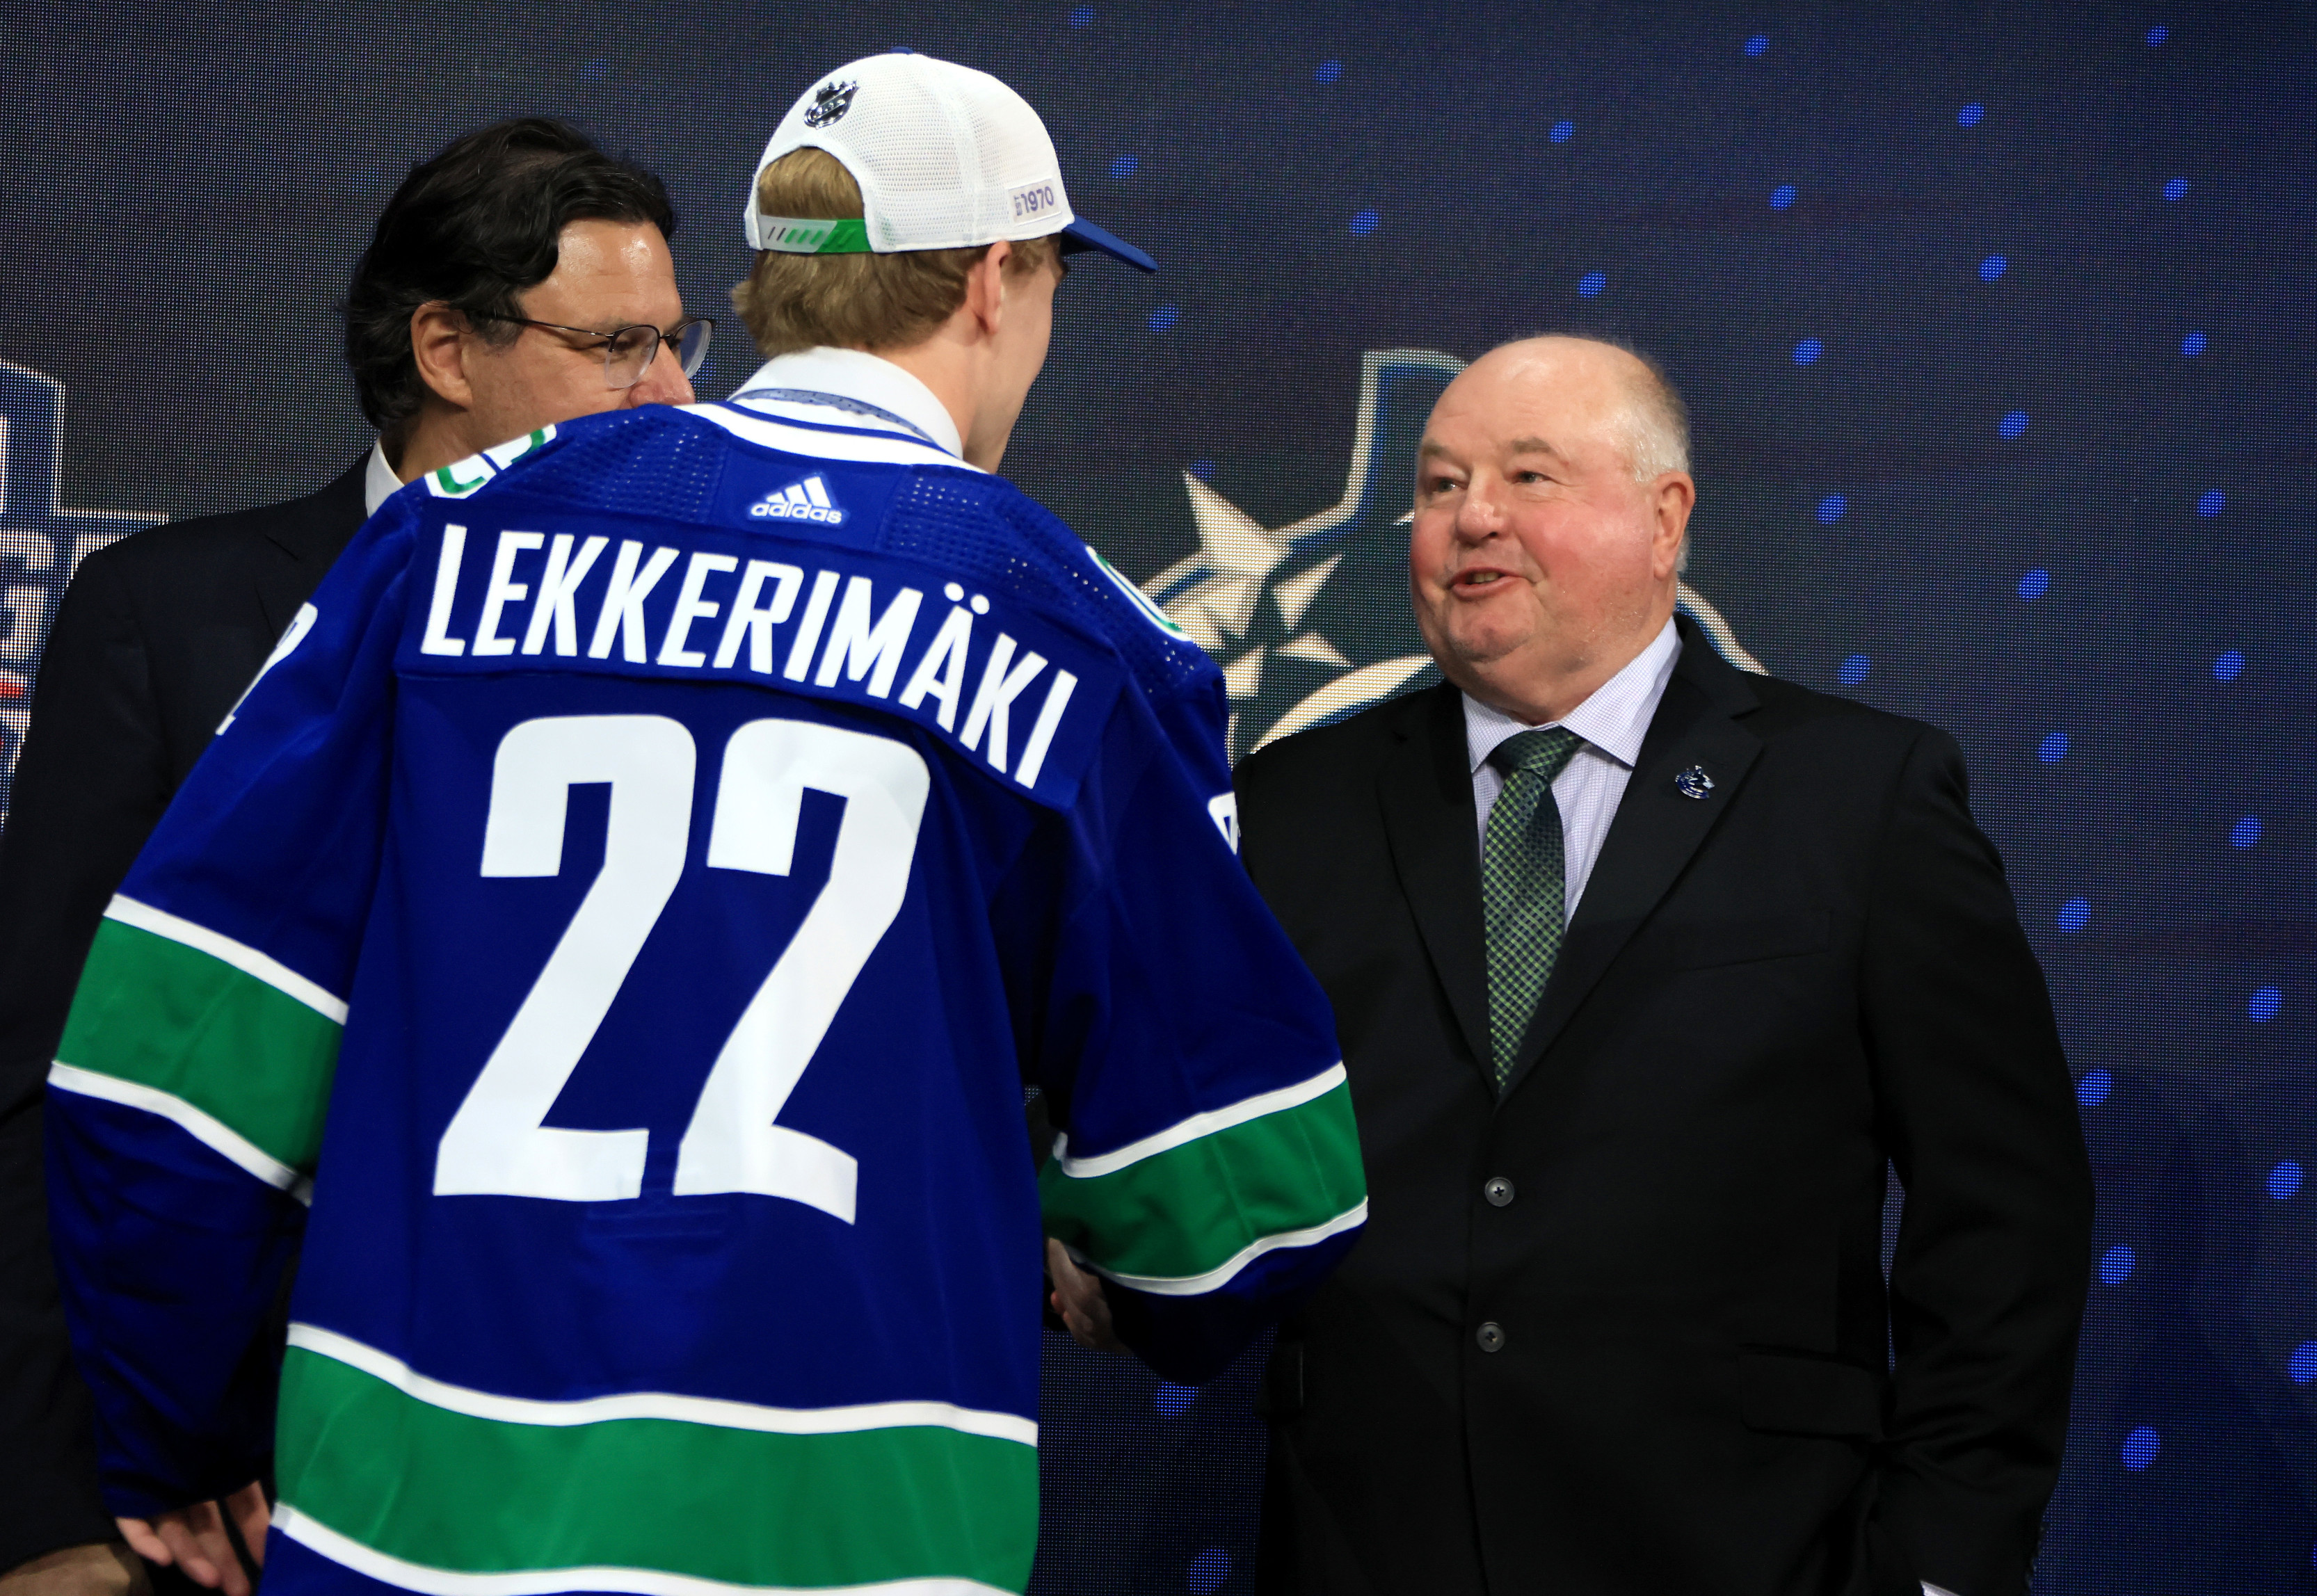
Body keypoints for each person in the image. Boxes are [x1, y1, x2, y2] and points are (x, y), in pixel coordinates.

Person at [43, 51, 1365, 1596]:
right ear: (1000, 281)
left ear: (763, 287)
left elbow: (162, 1072)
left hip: (421, 1512)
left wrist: (185, 1438)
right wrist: (1106, 1258)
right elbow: (1243, 1200)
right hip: (858, 1534)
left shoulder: (444, 541)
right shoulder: (1077, 628)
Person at [1230, 336, 2094, 1596]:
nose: (1471, 517)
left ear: (1663, 517)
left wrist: (1941, 1560)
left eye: (1530, 478)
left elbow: (2006, 1209)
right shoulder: (1290, 807)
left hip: (1749, 1549)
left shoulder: (1861, 798)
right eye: (1436, 485)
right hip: (1372, 1545)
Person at [0, 117, 701, 1596]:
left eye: (680, 340)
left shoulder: (712, 659)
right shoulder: (170, 618)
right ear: (447, 347)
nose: (678, 393)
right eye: (622, 345)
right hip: (236, 1477)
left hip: (611, 1464)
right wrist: (57, 1496)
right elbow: (51, 1075)